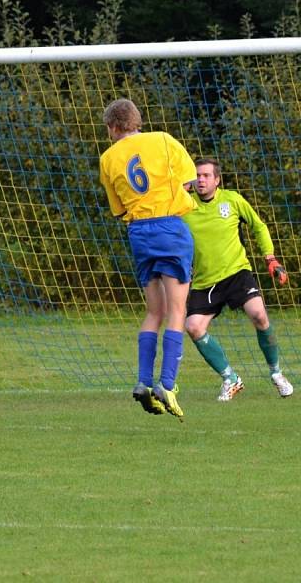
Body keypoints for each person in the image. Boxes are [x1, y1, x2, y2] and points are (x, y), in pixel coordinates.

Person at [99, 99, 197, 419]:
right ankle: (167, 384)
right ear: (137, 121)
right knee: (178, 310)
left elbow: (119, 210)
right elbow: (188, 180)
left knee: (155, 311)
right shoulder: (163, 140)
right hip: (170, 227)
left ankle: (143, 381)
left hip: (139, 233)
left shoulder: (108, 158)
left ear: (112, 127)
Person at [183, 158, 292, 401]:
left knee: (259, 315)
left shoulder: (232, 200)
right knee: (193, 327)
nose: (201, 179)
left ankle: (276, 373)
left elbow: (258, 226)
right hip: (205, 281)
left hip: (236, 274)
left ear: (217, 180)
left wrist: (270, 258)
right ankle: (230, 378)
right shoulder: (184, 205)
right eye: (197, 175)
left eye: (206, 175)